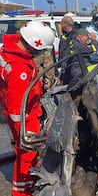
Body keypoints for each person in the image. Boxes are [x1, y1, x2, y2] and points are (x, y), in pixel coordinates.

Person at [0, 20, 55, 196]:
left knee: (25, 155)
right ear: (34, 43)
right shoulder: (19, 69)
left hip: (26, 112)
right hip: (25, 119)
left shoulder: (10, 49)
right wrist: (24, 134)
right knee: (26, 157)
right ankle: (22, 192)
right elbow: (17, 108)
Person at [58, 15, 78, 84]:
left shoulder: (75, 35)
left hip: (72, 66)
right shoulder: (64, 35)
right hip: (64, 67)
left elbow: (70, 52)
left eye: (61, 23)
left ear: (66, 24)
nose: (60, 25)